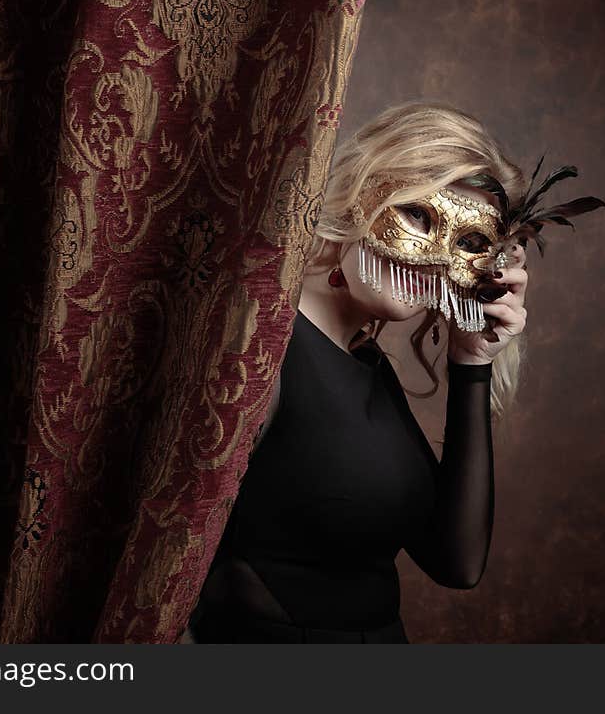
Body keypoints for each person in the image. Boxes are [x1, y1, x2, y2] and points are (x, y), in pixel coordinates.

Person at [184, 102, 535, 644]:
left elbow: (456, 562)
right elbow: (160, 562)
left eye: (470, 244)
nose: (433, 258)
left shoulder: (367, 362)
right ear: (362, 189)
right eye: (418, 215)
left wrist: (472, 364)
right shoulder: (259, 347)